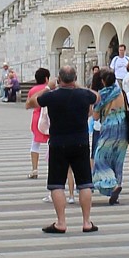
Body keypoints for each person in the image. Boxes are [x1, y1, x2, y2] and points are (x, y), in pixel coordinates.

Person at [39, 66, 98, 234]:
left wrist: (48, 87)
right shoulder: (84, 95)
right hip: (80, 143)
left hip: (58, 143)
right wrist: (77, 85)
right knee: (85, 183)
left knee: (57, 184)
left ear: (59, 79)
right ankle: (86, 222)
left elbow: (32, 101)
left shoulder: (51, 96)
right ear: (75, 78)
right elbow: (97, 96)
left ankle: (61, 222)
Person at [90, 68, 127, 206]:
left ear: (103, 81)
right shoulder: (120, 92)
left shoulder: (102, 94)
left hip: (109, 127)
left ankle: (112, 184)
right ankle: (116, 188)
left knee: (100, 157)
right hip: (123, 127)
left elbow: (95, 116)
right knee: (117, 159)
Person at [26, 66, 51, 182]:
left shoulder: (33, 90)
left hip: (37, 117)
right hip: (49, 117)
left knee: (35, 143)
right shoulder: (49, 89)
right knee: (51, 144)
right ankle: (51, 169)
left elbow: (28, 104)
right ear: (46, 78)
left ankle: (34, 169)